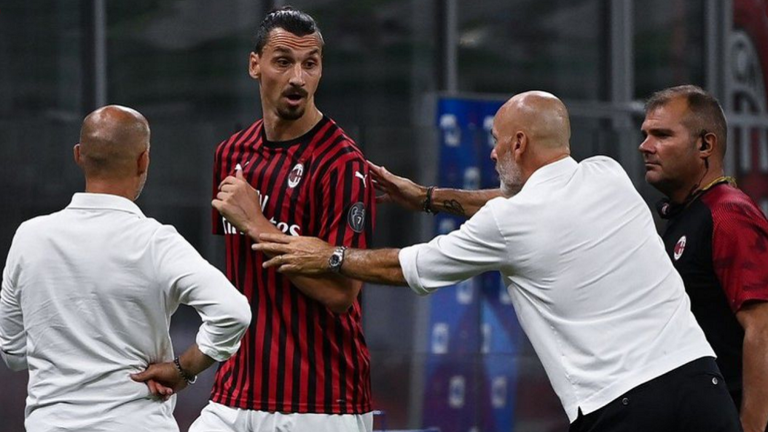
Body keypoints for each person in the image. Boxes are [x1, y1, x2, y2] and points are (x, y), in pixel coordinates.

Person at [252, 91, 742, 432]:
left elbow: (404, 267)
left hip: (624, 408)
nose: (491, 153)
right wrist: (428, 197)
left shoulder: (508, 222)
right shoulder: (607, 174)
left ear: (519, 143)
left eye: (496, 140)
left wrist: (330, 255)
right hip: (702, 383)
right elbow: (521, 201)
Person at [0, 105, 251, 432]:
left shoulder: (29, 237)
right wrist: (183, 369)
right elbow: (233, 312)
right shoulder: (156, 242)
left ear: (79, 155)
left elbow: (13, 353)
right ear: (143, 160)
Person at [199, 6, 376, 432]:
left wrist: (258, 225)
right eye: (283, 61)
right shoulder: (230, 154)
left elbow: (341, 294)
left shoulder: (342, 164)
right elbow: (242, 277)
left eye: (309, 64)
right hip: (234, 391)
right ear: (255, 65)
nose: (298, 77)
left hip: (319, 401)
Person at [639, 84, 768, 432]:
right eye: (645, 134)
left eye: (662, 135)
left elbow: (763, 326)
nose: (645, 146)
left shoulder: (728, 214)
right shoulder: (687, 215)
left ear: (704, 145)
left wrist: (751, 427)